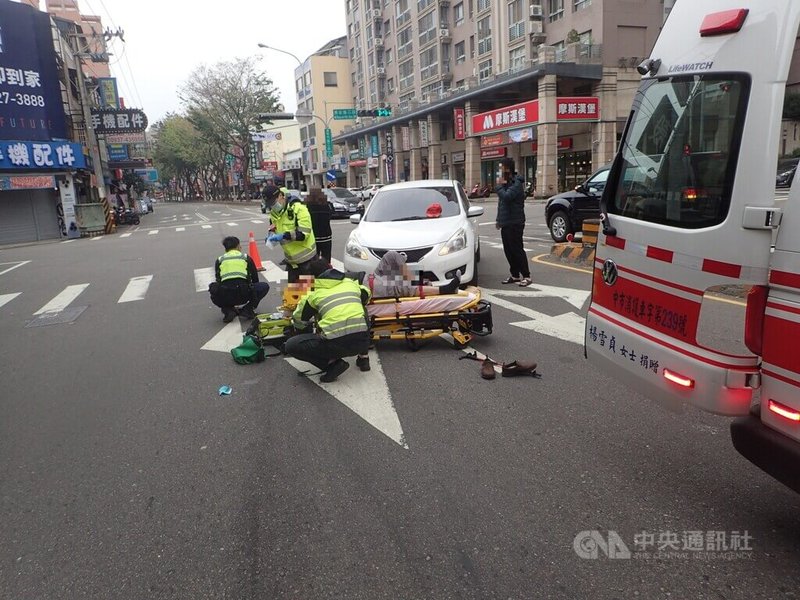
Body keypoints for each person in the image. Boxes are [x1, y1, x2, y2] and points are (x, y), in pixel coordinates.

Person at [285, 258, 372, 382]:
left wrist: (301, 332)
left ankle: (332, 365)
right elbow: (367, 294)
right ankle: (364, 358)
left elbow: (299, 319)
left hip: (335, 346)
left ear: (312, 278)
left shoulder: (313, 295)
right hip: (362, 341)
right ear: (331, 267)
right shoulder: (351, 284)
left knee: (291, 345)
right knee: (361, 308)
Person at [209, 236, 270, 322]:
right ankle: (247, 310)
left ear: (226, 248)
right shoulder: (245, 257)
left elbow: (218, 280)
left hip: (226, 295)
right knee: (264, 286)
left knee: (214, 288)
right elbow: (255, 278)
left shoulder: (220, 260)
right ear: (238, 246)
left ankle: (228, 310)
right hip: (244, 293)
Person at [265, 187, 317, 282]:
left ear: (281, 196)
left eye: (273, 202)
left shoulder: (299, 209)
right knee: (294, 295)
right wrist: (270, 238)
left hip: (307, 261)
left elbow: (304, 234)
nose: (272, 206)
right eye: (270, 204)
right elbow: (273, 229)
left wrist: (284, 235)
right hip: (291, 263)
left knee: (308, 293)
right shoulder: (274, 215)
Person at [496, 157, 532, 287]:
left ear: (508, 169)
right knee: (508, 250)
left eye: (502, 168)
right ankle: (515, 274)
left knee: (517, 249)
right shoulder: (506, 183)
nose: (500, 171)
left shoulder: (516, 183)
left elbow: (506, 197)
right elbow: (501, 204)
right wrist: (498, 220)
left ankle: (526, 275)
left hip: (515, 222)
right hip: (506, 222)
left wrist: (499, 186)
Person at [370, 250, 461, 298]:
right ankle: (446, 289)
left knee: (391, 255)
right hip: (368, 286)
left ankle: (417, 282)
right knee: (400, 286)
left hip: (368, 278)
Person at [305, 188, 332, 263]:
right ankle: (326, 273)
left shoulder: (308, 207)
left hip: (313, 237)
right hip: (326, 236)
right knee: (326, 259)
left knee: (312, 260)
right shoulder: (328, 205)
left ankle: (314, 273)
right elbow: (331, 215)